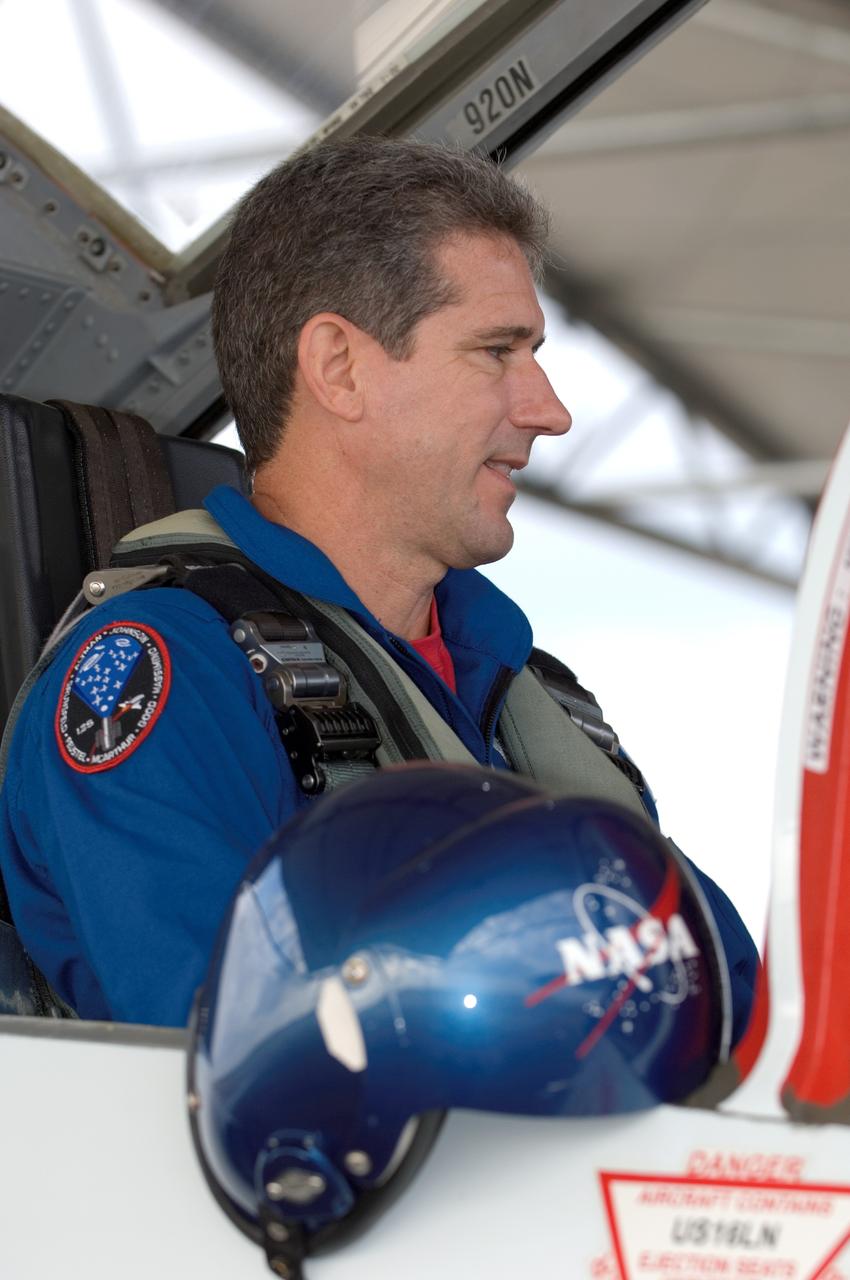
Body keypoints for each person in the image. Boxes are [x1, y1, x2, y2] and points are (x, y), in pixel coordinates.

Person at [0, 137, 758, 1027]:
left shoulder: (533, 698)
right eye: (496, 352)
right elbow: (236, 1057)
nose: (549, 411)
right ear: (339, 368)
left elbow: (739, 1025)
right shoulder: (164, 674)